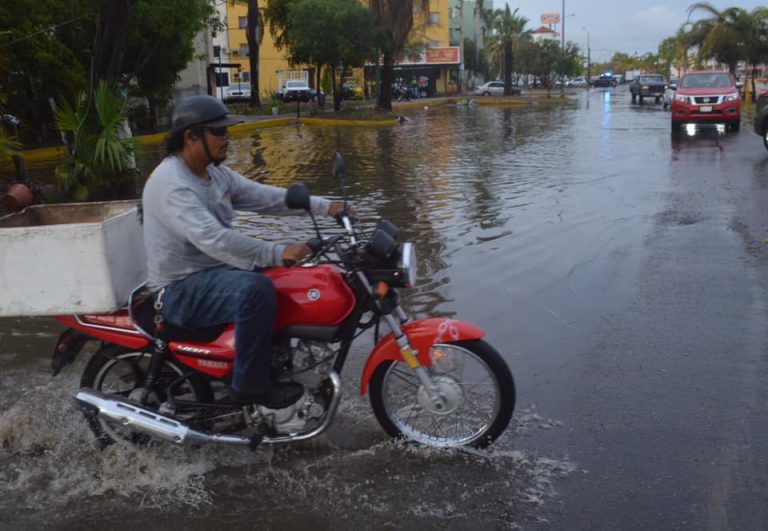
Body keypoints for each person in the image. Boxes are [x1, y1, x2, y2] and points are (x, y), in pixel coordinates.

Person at [142, 95, 347, 409]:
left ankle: (276, 361)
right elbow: (215, 240)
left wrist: (327, 207)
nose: (228, 138)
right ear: (191, 137)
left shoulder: (214, 173)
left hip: (213, 274)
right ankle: (250, 385)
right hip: (178, 289)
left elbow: (264, 197)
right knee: (256, 291)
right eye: (219, 132)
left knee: (287, 281)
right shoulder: (172, 184)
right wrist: (278, 252)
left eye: (227, 131)